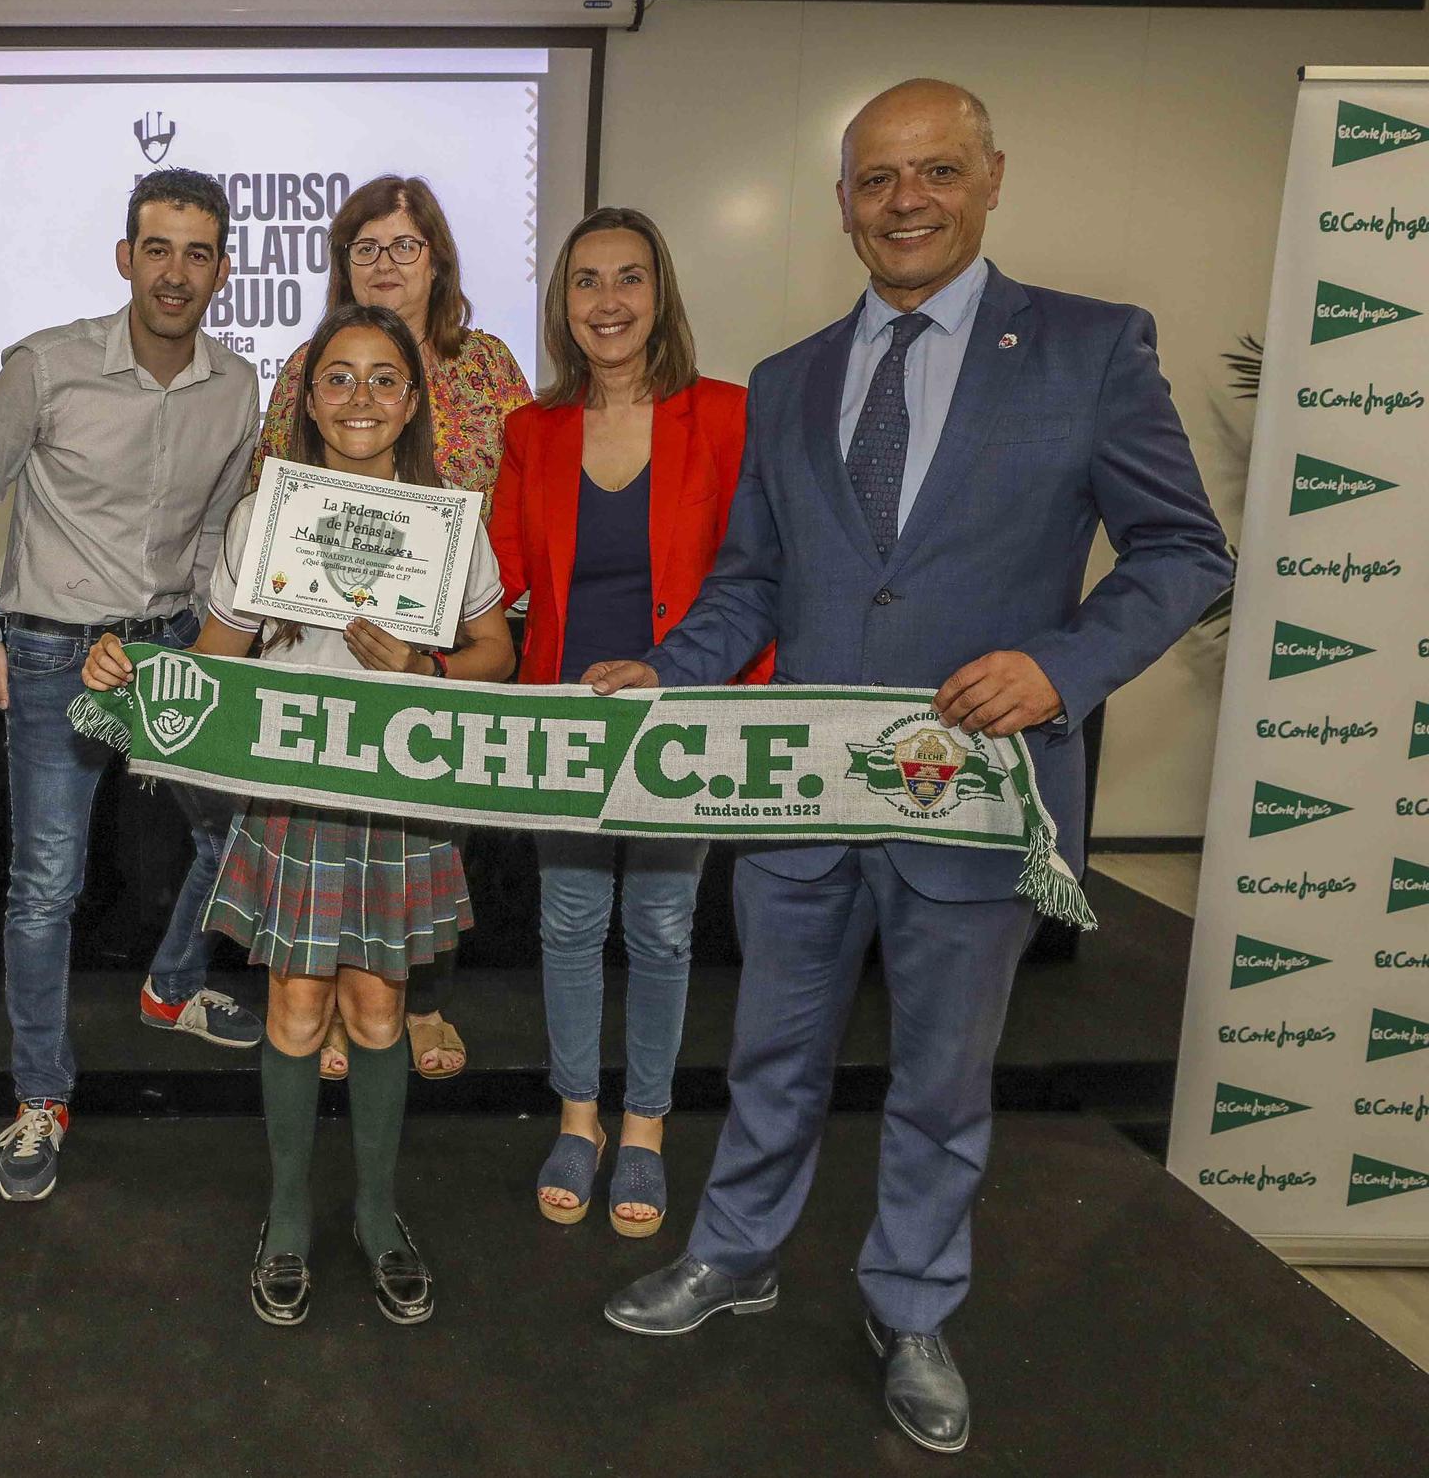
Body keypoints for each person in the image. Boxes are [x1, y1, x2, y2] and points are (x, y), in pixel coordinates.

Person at [590, 81, 1231, 1454]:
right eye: (877, 181)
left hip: (976, 803)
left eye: (934, 172)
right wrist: (670, 670)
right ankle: (738, 1251)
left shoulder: (1090, 347)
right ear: (843, 204)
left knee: (943, 1079)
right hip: (802, 806)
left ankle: (912, 1303)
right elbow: (753, 581)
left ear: (990, 177)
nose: (906, 203)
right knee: (771, 1049)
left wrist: (1066, 664)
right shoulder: (789, 379)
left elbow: (1185, 551)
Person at [83, 304, 516, 1326]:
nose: (358, 398)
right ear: (306, 397)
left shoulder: (448, 518)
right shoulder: (258, 518)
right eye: (336, 377)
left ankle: (373, 1211)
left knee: (375, 1014)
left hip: (397, 797)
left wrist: (421, 664)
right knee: (290, 1012)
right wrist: (131, 669)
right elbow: (213, 664)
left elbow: (497, 655)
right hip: (291, 794)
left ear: (410, 401)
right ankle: (285, 1215)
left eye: (381, 379)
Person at [0, 168, 263, 1205]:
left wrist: (219, 639)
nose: (174, 271)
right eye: (156, 247)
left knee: (233, 836)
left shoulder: (236, 385)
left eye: (196, 252)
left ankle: (172, 986)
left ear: (221, 269)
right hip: (51, 651)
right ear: (124, 256)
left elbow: (223, 526)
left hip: (174, 649)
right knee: (47, 884)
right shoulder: (46, 368)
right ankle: (41, 1096)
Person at [489, 207, 771, 1238]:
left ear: (659, 295)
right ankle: (578, 1118)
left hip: (680, 714)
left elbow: (756, 579)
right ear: (562, 306)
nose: (606, 302)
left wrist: (701, 682)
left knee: (657, 927)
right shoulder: (533, 431)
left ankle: (643, 1126)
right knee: (566, 923)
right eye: (584, 283)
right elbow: (499, 581)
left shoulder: (729, 416)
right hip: (562, 718)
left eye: (628, 279)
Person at [257, 174, 531, 1082]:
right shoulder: (309, 364)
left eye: (404, 246)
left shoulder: (487, 363)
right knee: (329, 821)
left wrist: (447, 653)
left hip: (455, 638)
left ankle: (418, 1001)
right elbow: (277, 493)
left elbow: (521, 490)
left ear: (437, 261)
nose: (384, 264)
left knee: (430, 832)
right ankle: (332, 996)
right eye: (364, 248)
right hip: (321, 639)